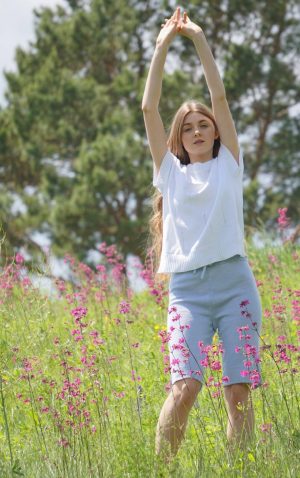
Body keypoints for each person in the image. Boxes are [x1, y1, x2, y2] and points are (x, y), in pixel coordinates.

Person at [141, 7, 263, 463]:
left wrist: (198, 39)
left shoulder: (229, 164)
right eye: (188, 127)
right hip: (188, 291)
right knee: (186, 386)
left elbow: (220, 96)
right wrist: (162, 46)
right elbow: (148, 107)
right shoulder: (169, 174)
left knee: (238, 390)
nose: (196, 130)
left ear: (215, 134)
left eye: (204, 125)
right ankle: (161, 470)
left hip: (236, 287)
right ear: (178, 137)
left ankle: (239, 472)